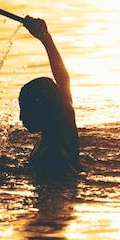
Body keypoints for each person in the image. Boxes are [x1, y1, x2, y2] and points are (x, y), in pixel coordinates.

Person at [19, 16, 79, 174]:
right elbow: (63, 79)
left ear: (40, 110)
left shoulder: (50, 155)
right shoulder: (65, 116)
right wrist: (45, 37)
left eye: (25, 109)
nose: (21, 117)